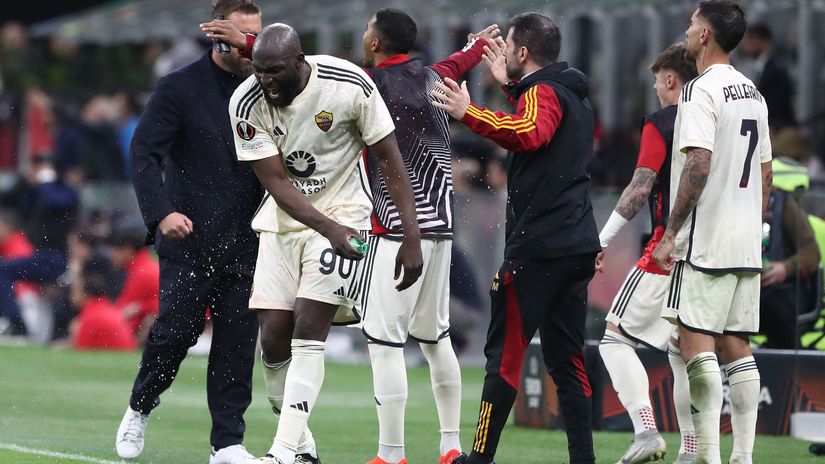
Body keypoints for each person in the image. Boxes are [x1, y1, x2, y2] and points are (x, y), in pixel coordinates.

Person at [229, 23, 422, 464]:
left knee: (308, 325)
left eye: (275, 71)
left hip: (346, 217)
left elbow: (389, 158)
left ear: (300, 61)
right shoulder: (245, 101)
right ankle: (303, 448)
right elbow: (277, 182)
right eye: (259, 71)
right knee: (272, 338)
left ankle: (280, 452)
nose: (266, 81)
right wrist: (326, 228)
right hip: (283, 223)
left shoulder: (349, 83)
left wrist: (410, 235)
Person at [431, 13, 601, 464]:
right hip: (576, 243)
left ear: (523, 52)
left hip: (539, 248)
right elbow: (541, 124)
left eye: (507, 45)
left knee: (504, 359)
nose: (502, 51)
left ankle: (480, 457)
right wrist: (509, 85)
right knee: (568, 362)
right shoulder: (572, 95)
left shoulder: (544, 94)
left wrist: (467, 112)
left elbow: (529, 133)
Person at [115, 2, 264, 463]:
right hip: (190, 237)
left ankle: (228, 444)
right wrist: (161, 213)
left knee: (237, 343)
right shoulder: (178, 86)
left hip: (250, 238)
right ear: (217, 35)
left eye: (256, 35)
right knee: (175, 333)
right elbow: (144, 152)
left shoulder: (269, 86)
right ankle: (140, 406)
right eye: (241, 35)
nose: (250, 46)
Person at [357, 9, 499, 464]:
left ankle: (391, 454)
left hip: (396, 232)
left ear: (376, 43)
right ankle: (450, 446)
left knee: (384, 343)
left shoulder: (366, 86)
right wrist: (480, 44)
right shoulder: (434, 78)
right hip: (440, 231)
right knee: (436, 340)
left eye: (368, 28)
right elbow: (463, 59)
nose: (364, 34)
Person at [651, 2, 772, 464]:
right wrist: (755, 226)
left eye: (691, 24)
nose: (686, 31)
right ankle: (743, 455)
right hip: (746, 241)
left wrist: (670, 233)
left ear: (705, 35)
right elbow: (766, 173)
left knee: (693, 341)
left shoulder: (699, 90)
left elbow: (698, 164)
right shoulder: (754, 93)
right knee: (737, 346)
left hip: (706, 240)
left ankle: (706, 455)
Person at [596, 43, 698, 464]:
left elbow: (640, 188)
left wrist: (602, 240)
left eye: (656, 81)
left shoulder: (663, 122)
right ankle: (694, 450)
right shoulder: (719, 120)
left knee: (614, 338)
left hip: (666, 248)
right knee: (685, 353)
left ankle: (645, 431)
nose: (656, 88)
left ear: (670, 79)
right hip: (710, 252)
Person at [0, 157, 78, 336]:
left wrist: (45, 180)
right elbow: (21, 204)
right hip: (42, 255)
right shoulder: (41, 191)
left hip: (55, 257)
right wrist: (28, 183)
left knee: (2, 269)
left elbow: (54, 202)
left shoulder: (66, 191)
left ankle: (16, 323)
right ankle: (14, 321)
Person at [759, 158, 819, 349]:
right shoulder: (733, 205)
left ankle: (787, 365)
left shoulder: (784, 205)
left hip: (779, 291)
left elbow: (811, 252)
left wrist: (786, 268)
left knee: (777, 308)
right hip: (743, 290)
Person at [107, 218, 159, 346]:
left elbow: (119, 315)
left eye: (115, 250)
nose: (112, 255)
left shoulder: (142, 272)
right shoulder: (146, 266)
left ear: (127, 249)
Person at [71, 256, 137, 351]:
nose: (71, 294)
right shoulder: (104, 308)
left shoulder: (91, 317)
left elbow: (80, 351)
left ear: (85, 293)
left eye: (75, 290)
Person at [740, 23, 794, 130]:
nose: (746, 43)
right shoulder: (755, 67)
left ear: (764, 42)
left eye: (751, 39)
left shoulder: (777, 70)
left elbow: (777, 107)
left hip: (775, 128)